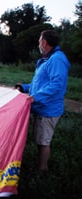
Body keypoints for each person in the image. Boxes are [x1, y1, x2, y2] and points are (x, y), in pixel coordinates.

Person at [15, 30, 70, 175]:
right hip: (42, 108)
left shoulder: (57, 59)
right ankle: (41, 166)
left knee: (43, 141)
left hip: (48, 109)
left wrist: (35, 97)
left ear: (44, 42)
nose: (39, 43)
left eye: (40, 41)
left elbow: (56, 84)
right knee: (40, 138)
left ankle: (42, 170)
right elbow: (40, 83)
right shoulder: (48, 59)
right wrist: (25, 87)